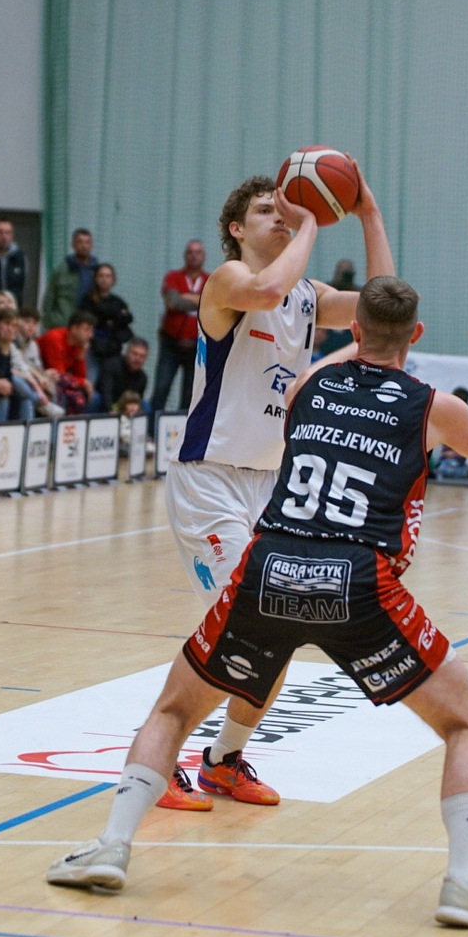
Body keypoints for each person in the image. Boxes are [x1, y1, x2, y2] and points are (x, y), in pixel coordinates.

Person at [48, 283, 468, 930]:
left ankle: (111, 845)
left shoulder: (307, 385)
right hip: (358, 584)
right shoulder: (431, 407)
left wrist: (350, 341)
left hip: (269, 568)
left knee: (173, 709)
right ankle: (466, 883)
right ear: (416, 337)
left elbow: (335, 364)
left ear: (354, 331)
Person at [159, 173, 370, 810]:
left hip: (271, 486)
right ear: (236, 228)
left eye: (286, 210)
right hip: (211, 479)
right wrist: (310, 220)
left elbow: (380, 307)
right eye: (265, 210)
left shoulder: (307, 294)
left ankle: (224, 759)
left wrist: (368, 214)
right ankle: (158, 759)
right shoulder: (227, 280)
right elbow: (269, 287)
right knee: (238, 623)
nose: (280, 217)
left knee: (278, 628)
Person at [150, 239, 208, 415]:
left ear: (204, 256)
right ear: (185, 255)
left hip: (197, 347)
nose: (194, 256)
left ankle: (184, 429)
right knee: (161, 388)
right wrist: (201, 300)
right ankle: (152, 428)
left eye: (198, 252)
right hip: (171, 344)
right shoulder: (173, 277)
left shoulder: (210, 280)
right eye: (190, 252)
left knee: (190, 394)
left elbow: (214, 304)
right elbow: (173, 302)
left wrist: (187, 296)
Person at [42, 227, 99, 329]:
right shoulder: (61, 270)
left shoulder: (97, 271)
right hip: (63, 324)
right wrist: (50, 322)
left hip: (88, 326)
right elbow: (49, 298)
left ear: (92, 245)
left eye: (87, 242)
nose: (84, 246)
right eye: (80, 242)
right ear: (73, 245)